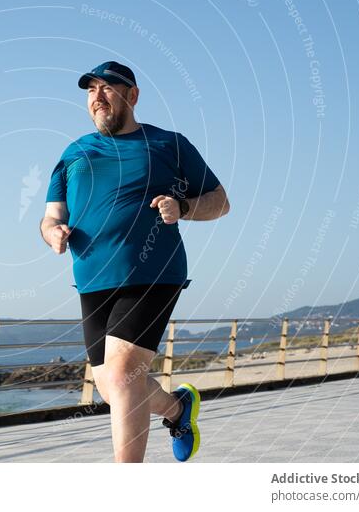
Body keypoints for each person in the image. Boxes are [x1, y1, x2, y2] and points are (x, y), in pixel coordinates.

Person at [40, 61, 230, 463]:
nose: (97, 97)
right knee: (113, 386)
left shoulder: (169, 144)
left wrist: (182, 206)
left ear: (133, 95)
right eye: (91, 91)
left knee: (125, 369)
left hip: (153, 271)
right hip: (92, 279)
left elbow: (220, 202)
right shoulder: (75, 153)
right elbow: (51, 215)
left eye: (107, 88)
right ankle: (178, 408)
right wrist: (53, 231)